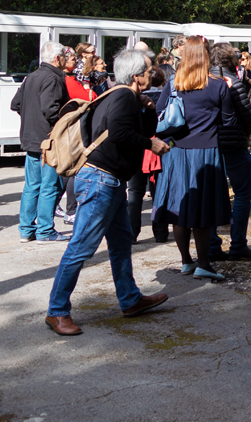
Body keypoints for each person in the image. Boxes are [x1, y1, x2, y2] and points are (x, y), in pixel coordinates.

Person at [44, 48, 172, 336]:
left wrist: (149, 110)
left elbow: (135, 129)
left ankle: (130, 300)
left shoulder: (125, 96)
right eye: (149, 70)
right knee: (81, 247)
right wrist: (150, 145)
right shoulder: (123, 97)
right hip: (101, 181)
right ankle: (57, 311)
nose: (152, 74)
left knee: (121, 241)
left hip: (109, 181)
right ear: (137, 75)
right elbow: (119, 134)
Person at [152, 38, 236, 281]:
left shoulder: (174, 83)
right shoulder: (219, 85)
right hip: (207, 152)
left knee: (180, 208)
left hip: (178, 151)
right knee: (203, 210)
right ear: (206, 56)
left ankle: (186, 262)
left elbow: (159, 113)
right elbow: (229, 120)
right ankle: (204, 264)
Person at [12, 40, 71, 244]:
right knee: (49, 186)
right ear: (57, 58)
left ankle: (26, 230)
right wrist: (63, 125)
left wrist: (32, 119)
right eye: (64, 55)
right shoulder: (52, 78)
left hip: (31, 138)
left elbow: (16, 104)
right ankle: (45, 231)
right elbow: (50, 109)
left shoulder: (32, 76)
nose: (66, 58)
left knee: (32, 186)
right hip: (48, 141)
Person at [208, 42, 251, 260]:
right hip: (235, 145)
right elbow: (247, 116)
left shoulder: (203, 81)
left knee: (211, 195)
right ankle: (238, 243)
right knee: (242, 194)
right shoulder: (235, 83)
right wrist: (246, 136)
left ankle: (211, 245)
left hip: (210, 145)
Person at [127, 66, 169, 244]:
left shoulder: (134, 98)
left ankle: (132, 233)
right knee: (158, 192)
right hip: (158, 146)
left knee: (135, 192)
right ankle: (160, 233)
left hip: (139, 147)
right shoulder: (165, 97)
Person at [59, 48, 95, 226]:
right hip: (72, 129)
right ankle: (71, 210)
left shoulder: (71, 78)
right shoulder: (68, 79)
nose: (77, 62)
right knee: (73, 168)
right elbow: (89, 97)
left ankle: (63, 207)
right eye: (73, 59)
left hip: (71, 128)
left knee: (70, 169)